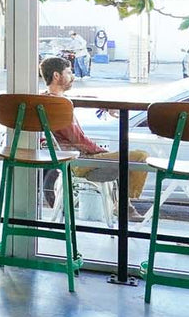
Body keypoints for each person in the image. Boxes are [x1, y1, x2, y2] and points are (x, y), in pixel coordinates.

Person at [38, 56, 148, 219]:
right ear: (56, 76)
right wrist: (99, 152)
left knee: (126, 158)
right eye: (68, 72)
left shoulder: (47, 99)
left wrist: (99, 102)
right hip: (79, 162)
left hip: (71, 159)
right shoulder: (59, 107)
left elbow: (78, 98)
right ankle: (124, 205)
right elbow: (79, 140)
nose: (73, 76)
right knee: (140, 156)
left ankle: (124, 205)